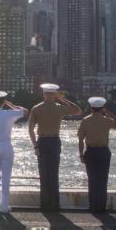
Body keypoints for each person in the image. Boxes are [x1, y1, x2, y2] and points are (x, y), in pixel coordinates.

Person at [28, 83, 82, 212]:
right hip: (54, 140)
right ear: (54, 95)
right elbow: (78, 111)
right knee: (54, 173)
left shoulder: (36, 108)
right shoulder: (60, 108)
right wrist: (63, 99)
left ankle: (45, 205)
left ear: (43, 94)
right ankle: (54, 204)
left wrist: (35, 145)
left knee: (43, 174)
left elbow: (30, 129)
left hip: (42, 141)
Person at [78, 97, 116, 213]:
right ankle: (101, 206)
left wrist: (81, 154)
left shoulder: (85, 120)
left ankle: (93, 206)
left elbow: (80, 140)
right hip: (103, 151)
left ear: (91, 108)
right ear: (102, 108)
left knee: (92, 179)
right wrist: (110, 114)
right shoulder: (107, 120)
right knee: (102, 179)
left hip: (90, 151)